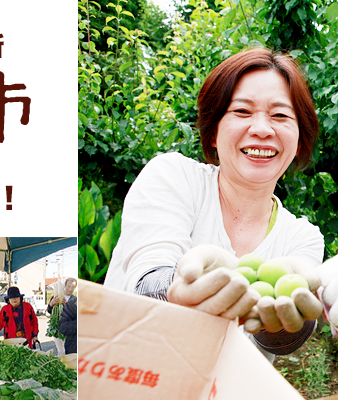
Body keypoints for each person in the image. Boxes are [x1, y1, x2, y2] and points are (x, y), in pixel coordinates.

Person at [103, 48, 325, 359]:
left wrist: (285, 323)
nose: (262, 129)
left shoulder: (302, 237)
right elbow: (146, 277)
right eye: (242, 112)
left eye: (280, 115)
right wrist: (176, 290)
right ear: (213, 132)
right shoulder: (174, 177)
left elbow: (282, 341)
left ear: (299, 138)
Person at [47, 278, 77, 354]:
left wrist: (67, 305)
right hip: (57, 328)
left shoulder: (75, 300)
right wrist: (51, 304)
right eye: (69, 286)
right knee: (61, 351)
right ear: (65, 285)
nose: (70, 289)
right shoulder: (56, 297)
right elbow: (49, 311)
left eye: (73, 287)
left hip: (69, 330)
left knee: (69, 351)